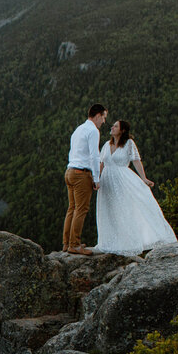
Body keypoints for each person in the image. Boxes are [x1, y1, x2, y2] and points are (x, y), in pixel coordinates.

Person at [92, 119, 177, 256]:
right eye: (113, 125)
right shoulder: (107, 145)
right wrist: (96, 179)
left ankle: (130, 241)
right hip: (107, 181)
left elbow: (136, 161)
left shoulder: (129, 144)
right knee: (108, 209)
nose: (112, 127)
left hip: (122, 179)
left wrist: (143, 178)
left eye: (115, 126)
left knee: (124, 209)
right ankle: (110, 241)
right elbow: (101, 163)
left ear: (123, 130)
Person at [62, 103, 106, 255]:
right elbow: (94, 155)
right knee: (81, 209)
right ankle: (75, 244)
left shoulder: (79, 129)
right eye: (104, 117)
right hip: (82, 173)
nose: (104, 122)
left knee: (72, 208)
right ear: (98, 115)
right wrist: (96, 178)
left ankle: (67, 243)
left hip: (70, 171)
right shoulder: (93, 131)